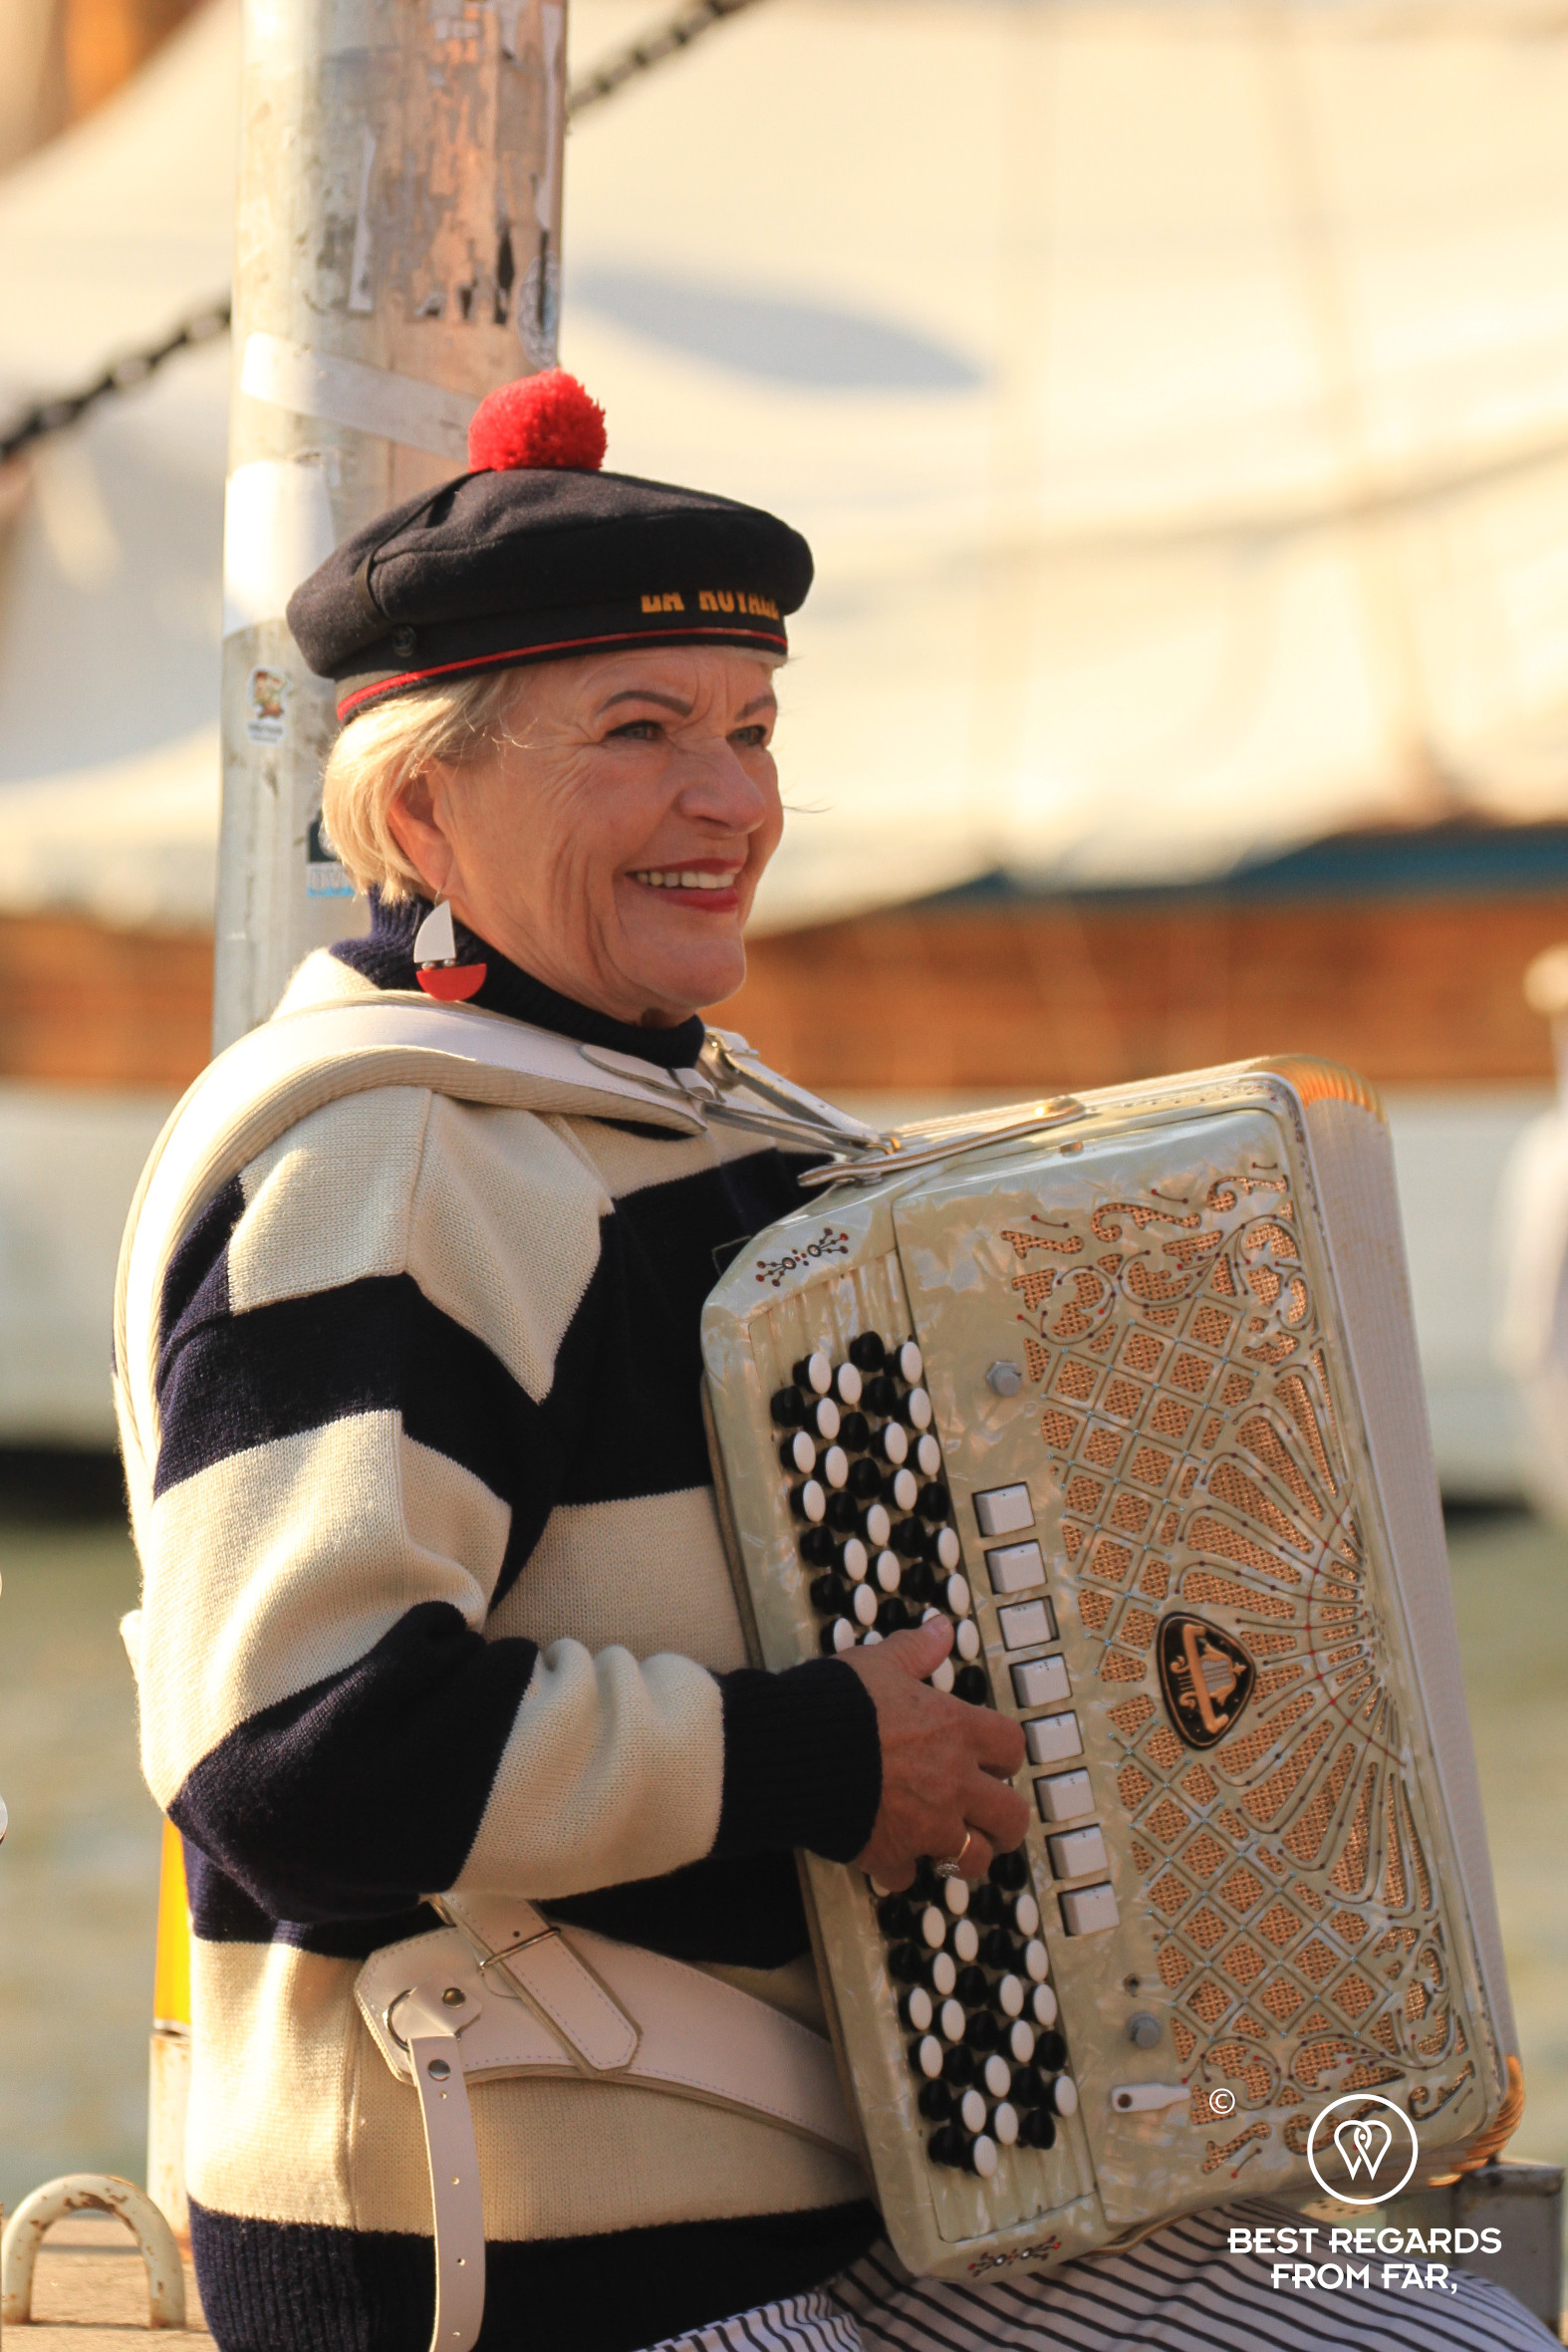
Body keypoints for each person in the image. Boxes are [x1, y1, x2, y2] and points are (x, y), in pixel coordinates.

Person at [125, 374, 1554, 2352]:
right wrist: (804, 1755)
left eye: (751, 731)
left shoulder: (710, 1127)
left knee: (1466, 2318)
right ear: (424, 805)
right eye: (641, 735)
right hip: (518, 2258)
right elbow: (293, 1755)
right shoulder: (389, 1161)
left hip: (851, 2185)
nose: (733, 803)